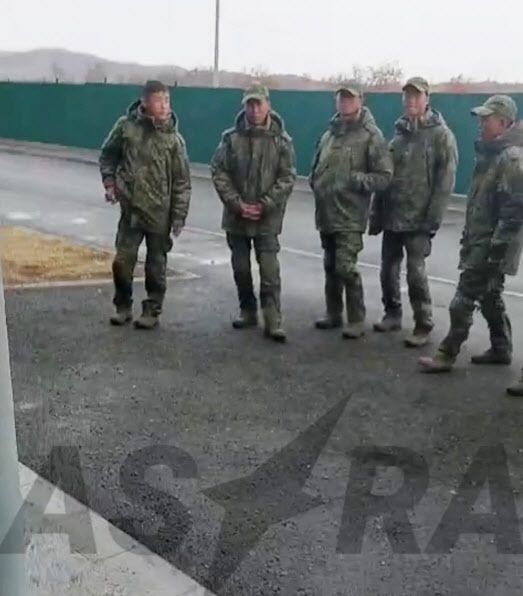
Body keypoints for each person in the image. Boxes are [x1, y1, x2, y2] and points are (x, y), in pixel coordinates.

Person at [418, 95, 523, 377]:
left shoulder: (510, 159)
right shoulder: (491, 155)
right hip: (481, 241)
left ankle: (446, 353)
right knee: (489, 296)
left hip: (491, 246)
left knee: (463, 300)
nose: (481, 123)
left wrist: (496, 250)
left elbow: (514, 211)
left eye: (487, 119)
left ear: (504, 123)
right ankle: (501, 348)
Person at [369, 76, 458, 347]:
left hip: (419, 220)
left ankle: (423, 324)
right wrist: (376, 214)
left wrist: (432, 220)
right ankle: (392, 314)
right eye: (407, 96)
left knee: (415, 273)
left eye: (416, 96)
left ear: (427, 99)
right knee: (387, 270)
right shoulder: (398, 134)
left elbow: (445, 182)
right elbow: (385, 176)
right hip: (393, 216)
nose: (411, 100)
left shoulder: (441, 135)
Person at [99, 80, 191, 329]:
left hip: (159, 214)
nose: (164, 106)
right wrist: (110, 183)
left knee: (156, 268)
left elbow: (182, 182)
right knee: (121, 262)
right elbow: (108, 155)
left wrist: (179, 216)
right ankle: (123, 306)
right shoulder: (126, 127)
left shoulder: (174, 140)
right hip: (131, 211)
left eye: (167, 100)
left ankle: (152, 310)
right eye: (159, 100)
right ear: (145, 102)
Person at [210, 82, 296, 343]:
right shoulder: (231, 139)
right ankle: (247, 311)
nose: (254, 109)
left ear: (268, 105)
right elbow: (219, 171)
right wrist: (237, 204)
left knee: (269, 270)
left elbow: (287, 177)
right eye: (250, 104)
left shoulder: (282, 141)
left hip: (267, 218)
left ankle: (273, 318)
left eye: (258, 104)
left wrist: (265, 204)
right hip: (236, 217)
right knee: (241, 268)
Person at [309, 81, 392, 338]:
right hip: (326, 213)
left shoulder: (371, 136)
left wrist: (357, 180)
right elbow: (316, 165)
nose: (345, 102)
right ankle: (333, 313)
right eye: (341, 98)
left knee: (346, 267)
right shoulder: (330, 134)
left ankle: (356, 319)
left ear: (360, 101)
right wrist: (316, 182)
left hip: (350, 215)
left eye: (350, 98)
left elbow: (385, 176)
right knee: (330, 265)